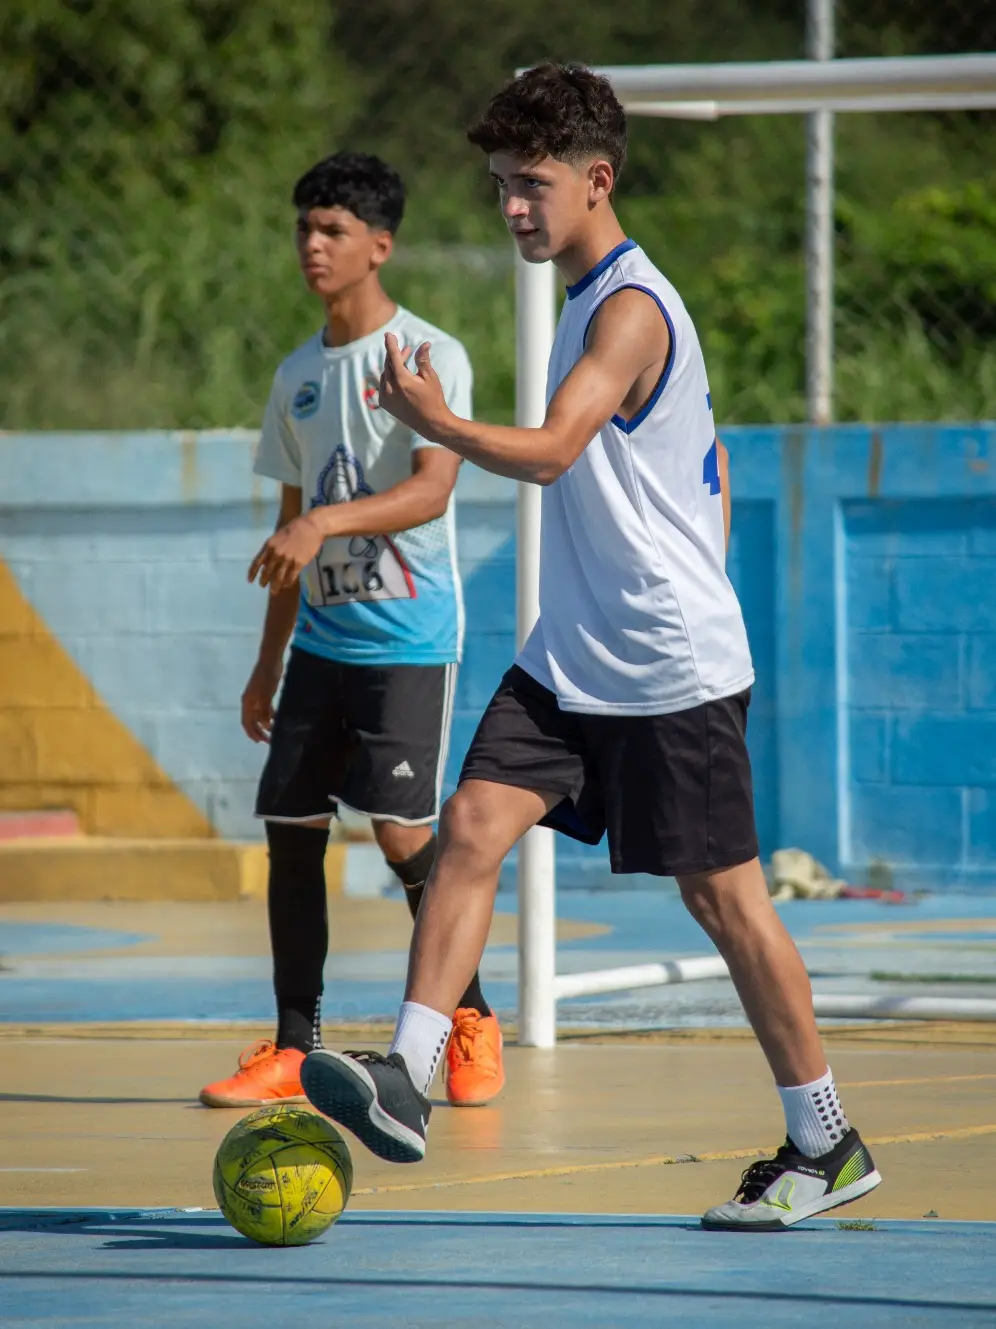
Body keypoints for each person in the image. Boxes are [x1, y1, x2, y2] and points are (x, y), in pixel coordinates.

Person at [299, 66, 882, 1231]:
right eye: (501, 187)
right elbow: (678, 476)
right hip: (574, 654)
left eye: (532, 186)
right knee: (468, 827)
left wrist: (441, 427)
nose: (512, 208)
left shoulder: (627, 307)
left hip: (668, 667)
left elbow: (561, 449)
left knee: (726, 904)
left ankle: (826, 1142)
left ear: (597, 180)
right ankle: (411, 1074)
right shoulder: (578, 297)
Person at [199, 151, 505, 1112]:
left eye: (332, 230)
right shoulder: (296, 376)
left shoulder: (426, 355)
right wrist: (266, 664)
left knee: (405, 833)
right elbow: (289, 540)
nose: (312, 246)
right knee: (291, 831)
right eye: (304, 228)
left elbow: (430, 488)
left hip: (410, 639)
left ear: (381, 245)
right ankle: (296, 1043)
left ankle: (470, 1014)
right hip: (322, 649)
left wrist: (323, 521)